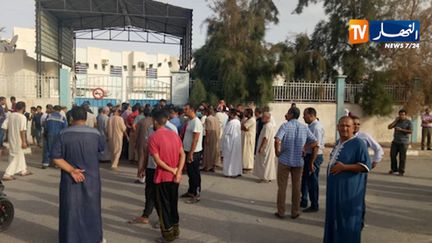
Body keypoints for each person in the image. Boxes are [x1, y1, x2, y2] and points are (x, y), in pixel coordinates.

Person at [52, 106, 106, 243]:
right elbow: (102, 149)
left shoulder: (63, 134)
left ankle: (70, 239)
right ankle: (94, 238)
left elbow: (56, 158)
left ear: (71, 118)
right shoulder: (96, 134)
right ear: (86, 118)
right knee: (92, 209)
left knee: (70, 210)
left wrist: (71, 170)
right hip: (92, 179)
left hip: (70, 179)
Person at [324, 116, 371, 243]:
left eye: (347, 126)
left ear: (353, 128)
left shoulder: (358, 143)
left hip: (348, 193)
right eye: (342, 125)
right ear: (338, 127)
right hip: (334, 193)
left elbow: (365, 166)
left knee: (347, 223)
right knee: (334, 220)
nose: (344, 128)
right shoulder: (339, 143)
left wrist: (345, 167)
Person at [147, 109, 185, 242]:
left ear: (156, 122)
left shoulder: (153, 137)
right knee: (173, 204)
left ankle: (168, 235)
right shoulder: (174, 135)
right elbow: (182, 154)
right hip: (175, 178)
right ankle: (176, 230)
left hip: (163, 177)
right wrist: (178, 171)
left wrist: (172, 170)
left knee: (163, 207)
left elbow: (157, 161)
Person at [274, 107, 318, 219]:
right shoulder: (304, 127)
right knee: (296, 187)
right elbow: (315, 142)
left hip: (284, 160)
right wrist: (305, 147)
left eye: (288, 113)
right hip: (298, 161)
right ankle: (295, 211)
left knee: (282, 187)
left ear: (291, 114)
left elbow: (277, 140)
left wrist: (277, 152)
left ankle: (281, 212)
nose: (286, 115)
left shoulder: (285, 126)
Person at [351, 115, 384, 229]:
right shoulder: (345, 137)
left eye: (358, 124)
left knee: (359, 196)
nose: (356, 126)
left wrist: (374, 161)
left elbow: (378, 148)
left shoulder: (363, 137)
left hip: (360, 171)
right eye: (354, 124)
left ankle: (359, 221)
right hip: (347, 171)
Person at [300, 107, 325, 213]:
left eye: (304, 115)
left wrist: (311, 162)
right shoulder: (311, 126)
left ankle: (314, 204)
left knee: (312, 181)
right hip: (309, 155)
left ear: (311, 115)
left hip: (314, 157)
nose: (303, 117)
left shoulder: (316, 127)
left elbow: (316, 145)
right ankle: (304, 200)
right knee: (305, 179)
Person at [2, 101, 33, 181]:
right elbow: (22, 131)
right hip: (18, 139)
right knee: (16, 156)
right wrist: (24, 141)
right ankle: (7, 174)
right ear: (23, 108)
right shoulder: (22, 117)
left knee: (18, 154)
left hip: (11, 138)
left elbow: (4, 127)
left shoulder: (11, 116)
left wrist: (7, 136)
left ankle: (23, 170)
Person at [180, 104, 203, 204]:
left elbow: (196, 139)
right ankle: (191, 191)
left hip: (194, 152)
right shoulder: (189, 121)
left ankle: (196, 193)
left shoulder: (196, 122)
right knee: (190, 172)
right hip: (187, 150)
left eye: (186, 109)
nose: (184, 111)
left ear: (192, 110)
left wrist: (191, 153)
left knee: (195, 173)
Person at [388, 109, 412, 176]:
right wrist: (395, 121)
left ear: (405, 115)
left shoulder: (408, 122)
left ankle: (401, 171)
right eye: (400, 115)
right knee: (392, 155)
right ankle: (394, 169)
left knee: (402, 157)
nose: (401, 116)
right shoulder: (397, 121)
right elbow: (389, 127)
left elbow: (410, 131)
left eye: (403, 115)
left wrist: (401, 130)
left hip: (404, 142)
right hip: (395, 142)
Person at [253, 111, 276, 182]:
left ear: (267, 118)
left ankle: (264, 178)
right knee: (267, 163)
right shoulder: (268, 125)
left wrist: (261, 148)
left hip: (266, 147)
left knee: (264, 162)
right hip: (268, 147)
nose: (262, 118)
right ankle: (267, 177)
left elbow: (265, 138)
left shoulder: (268, 126)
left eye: (263, 117)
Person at [222, 109, 243, 177]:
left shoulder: (232, 122)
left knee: (230, 157)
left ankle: (230, 172)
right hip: (236, 142)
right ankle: (236, 171)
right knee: (236, 157)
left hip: (230, 141)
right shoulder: (238, 122)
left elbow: (226, 132)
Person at [202, 107, 221, 172]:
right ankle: (213, 166)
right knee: (214, 151)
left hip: (210, 136)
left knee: (208, 152)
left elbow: (208, 129)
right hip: (216, 136)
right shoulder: (216, 118)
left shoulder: (207, 119)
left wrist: (207, 138)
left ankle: (208, 166)